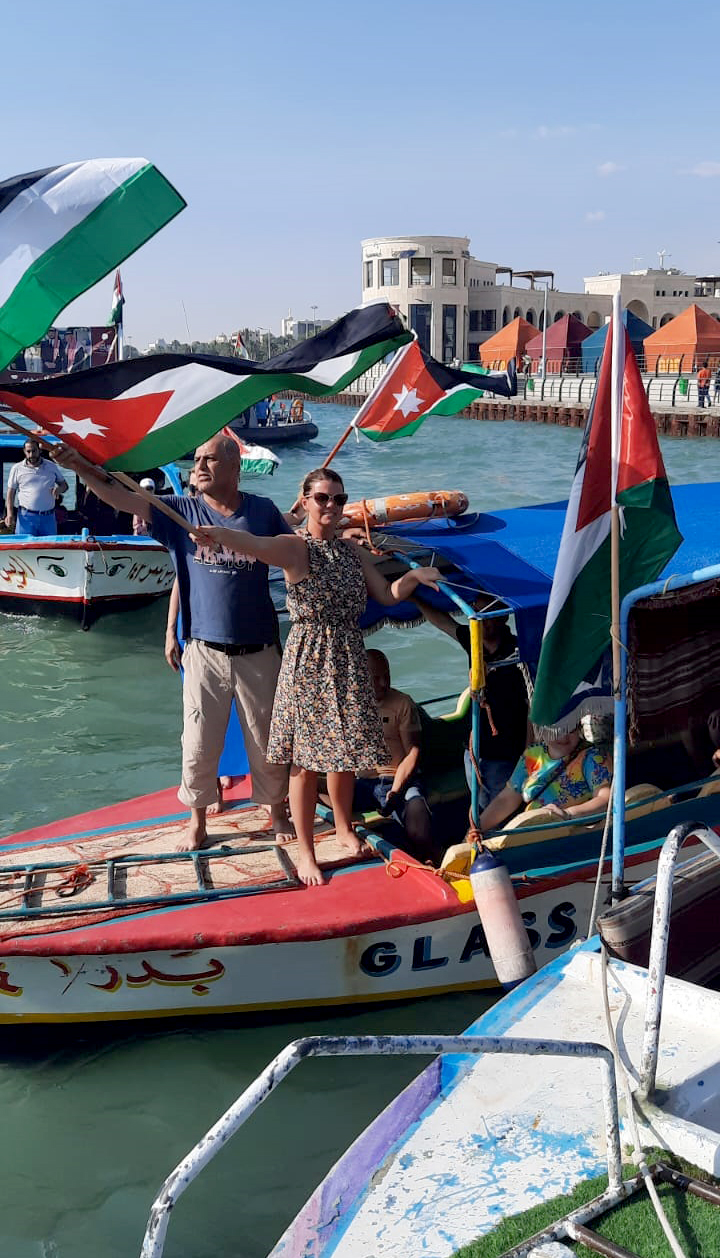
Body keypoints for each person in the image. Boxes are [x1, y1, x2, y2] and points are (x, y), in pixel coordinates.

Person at [189, 467, 442, 886]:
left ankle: (342, 827)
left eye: (338, 499)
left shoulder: (351, 551)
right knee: (306, 762)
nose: (331, 506)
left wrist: (414, 577)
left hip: (348, 657)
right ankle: (306, 852)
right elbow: (256, 544)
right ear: (304, 501)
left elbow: (386, 594)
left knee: (343, 754)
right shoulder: (295, 548)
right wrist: (218, 534)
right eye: (322, 497)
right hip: (310, 659)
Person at [53, 433, 295, 853]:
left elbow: (291, 551)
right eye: (196, 459)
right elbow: (122, 497)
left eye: (209, 459)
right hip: (204, 649)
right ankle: (197, 821)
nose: (198, 466)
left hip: (259, 647)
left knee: (265, 739)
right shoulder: (180, 511)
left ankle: (276, 812)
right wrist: (79, 468)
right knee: (198, 740)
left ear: (234, 467)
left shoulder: (262, 511)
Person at [414, 601, 529, 807]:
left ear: (503, 616)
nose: (482, 621)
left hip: (507, 751)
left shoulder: (519, 649)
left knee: (500, 810)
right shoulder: (473, 640)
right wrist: (416, 599)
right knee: (480, 806)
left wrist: (527, 752)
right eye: (477, 613)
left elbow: (531, 704)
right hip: (475, 749)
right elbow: (443, 621)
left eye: (488, 615)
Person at [352, 650, 433, 861]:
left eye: (386, 676)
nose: (383, 683)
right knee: (316, 792)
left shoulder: (402, 703)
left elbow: (413, 751)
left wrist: (396, 790)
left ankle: (429, 861)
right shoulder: (350, 705)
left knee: (417, 811)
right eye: (375, 678)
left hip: (399, 779)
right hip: (363, 783)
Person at [477, 725, 612, 834]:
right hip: (533, 834)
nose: (563, 736)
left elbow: (606, 799)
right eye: (556, 730)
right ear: (543, 728)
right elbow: (507, 799)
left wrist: (567, 815)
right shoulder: (532, 754)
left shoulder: (593, 756)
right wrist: (477, 828)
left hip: (576, 835)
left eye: (570, 729)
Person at [4, 438, 67, 536]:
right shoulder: (17, 468)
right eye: (28, 451)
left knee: (50, 545)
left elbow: (64, 485)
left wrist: (59, 489)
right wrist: (10, 514)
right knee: (24, 545)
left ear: (40, 450)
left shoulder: (51, 466)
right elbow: (10, 493)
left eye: (34, 451)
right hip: (26, 517)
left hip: (48, 518)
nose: (31, 455)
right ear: (24, 452)